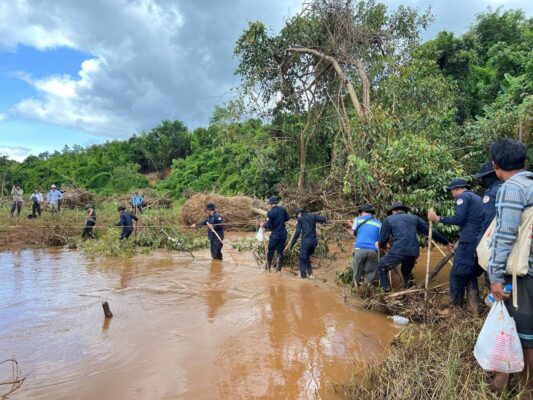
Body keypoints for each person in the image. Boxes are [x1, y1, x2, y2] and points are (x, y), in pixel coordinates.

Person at [487, 138, 533, 397]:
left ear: (496, 165)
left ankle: (526, 390)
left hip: (524, 273)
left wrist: (494, 277)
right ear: (524, 161)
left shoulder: (511, 189)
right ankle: (505, 378)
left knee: (525, 333)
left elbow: (505, 236)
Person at [428, 178, 484, 314]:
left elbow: (459, 219)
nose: (452, 194)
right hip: (478, 239)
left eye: (452, 191)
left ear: (457, 189)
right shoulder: (477, 198)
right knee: (470, 274)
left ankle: (454, 309)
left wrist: (438, 218)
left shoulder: (463, 197)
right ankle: (473, 308)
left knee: (456, 274)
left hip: (468, 239)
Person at [378, 201, 451, 292]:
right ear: (404, 211)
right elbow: (430, 231)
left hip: (398, 250)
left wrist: (380, 244)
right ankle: (410, 291)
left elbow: (383, 239)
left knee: (382, 267)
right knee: (406, 272)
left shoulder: (389, 219)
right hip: (413, 251)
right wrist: (446, 242)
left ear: (393, 211)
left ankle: (386, 292)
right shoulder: (414, 218)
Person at [473, 162, 503, 288]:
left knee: (492, 282)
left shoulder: (491, 193)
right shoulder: (507, 187)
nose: (482, 181)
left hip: (493, 242)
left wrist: (479, 243)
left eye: (483, 177)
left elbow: (488, 221)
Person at [288, 208, 327, 279]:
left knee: (302, 258)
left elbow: (297, 233)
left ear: (299, 213)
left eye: (297, 216)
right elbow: (324, 219)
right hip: (314, 242)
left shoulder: (300, 219)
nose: (297, 217)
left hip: (306, 242)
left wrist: (292, 243)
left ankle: (303, 278)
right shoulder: (313, 215)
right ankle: (310, 274)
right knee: (307, 256)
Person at [351, 204, 381, 287]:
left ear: (363, 212)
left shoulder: (357, 220)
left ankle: (355, 288)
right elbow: (380, 238)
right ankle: (366, 289)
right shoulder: (378, 223)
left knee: (357, 272)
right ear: (371, 213)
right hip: (372, 251)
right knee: (370, 273)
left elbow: (352, 233)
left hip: (359, 249)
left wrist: (360, 238)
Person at [260, 196, 290, 271]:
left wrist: (263, 225)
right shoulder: (283, 209)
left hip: (275, 235)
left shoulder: (270, 213)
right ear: (276, 203)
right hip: (283, 234)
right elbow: (287, 218)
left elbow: (269, 225)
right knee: (280, 252)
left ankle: (268, 268)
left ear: (270, 203)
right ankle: (278, 269)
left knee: (270, 250)